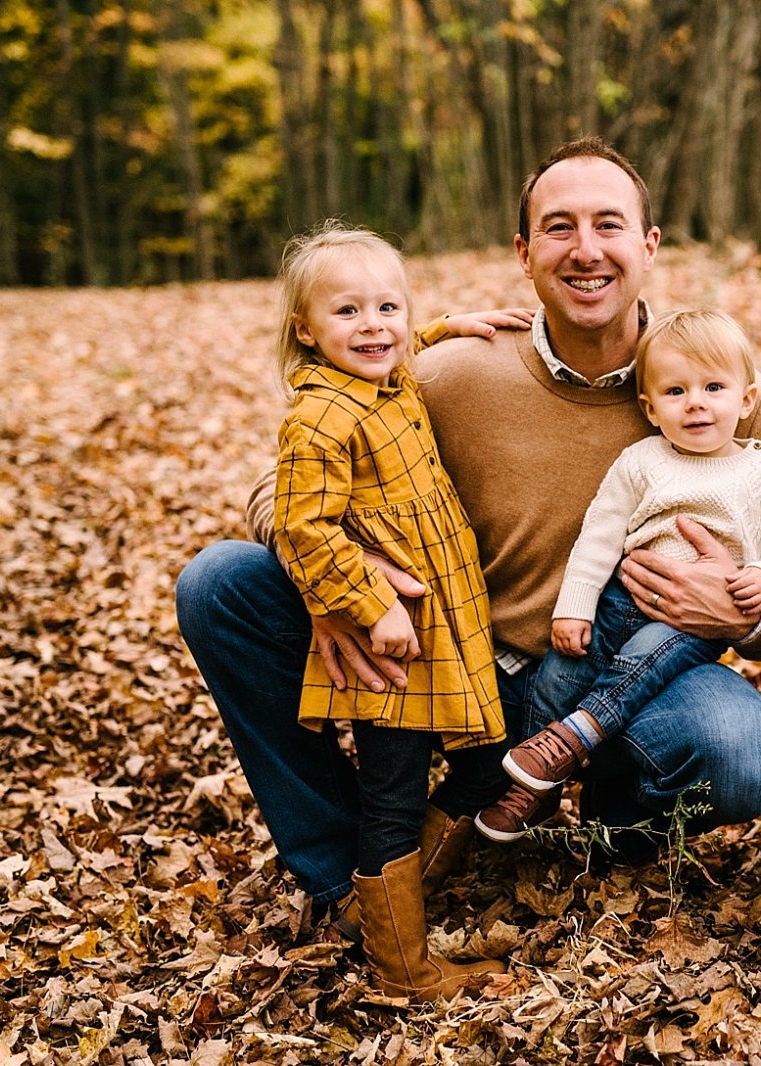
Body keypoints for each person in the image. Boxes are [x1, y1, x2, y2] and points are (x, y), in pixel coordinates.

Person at [174, 136, 761, 959]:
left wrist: (744, 611)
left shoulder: (715, 384)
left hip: (625, 676)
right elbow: (281, 488)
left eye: (609, 225)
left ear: (648, 247)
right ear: (523, 253)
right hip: (454, 660)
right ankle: (347, 873)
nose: (586, 249)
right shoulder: (455, 372)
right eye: (559, 227)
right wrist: (335, 584)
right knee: (220, 583)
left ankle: (612, 827)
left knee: (741, 749)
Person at [268, 221, 507, 1000]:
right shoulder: (320, 417)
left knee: (479, 762)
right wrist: (370, 606)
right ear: (305, 329)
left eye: (389, 308)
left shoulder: (386, 381)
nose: (374, 326)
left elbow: (398, 346)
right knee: (393, 793)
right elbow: (304, 526)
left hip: (449, 621)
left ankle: (390, 912)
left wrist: (448, 329)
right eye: (348, 312)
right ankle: (402, 965)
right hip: (395, 638)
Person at [473, 309, 761, 842]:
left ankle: (576, 739)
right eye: (675, 391)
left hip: (695, 620)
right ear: (649, 407)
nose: (695, 402)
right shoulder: (641, 462)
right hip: (620, 598)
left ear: (747, 400)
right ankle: (535, 788)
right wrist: (574, 606)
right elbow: (599, 537)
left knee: (641, 660)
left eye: (714, 387)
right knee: (560, 673)